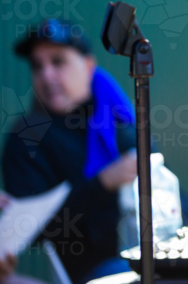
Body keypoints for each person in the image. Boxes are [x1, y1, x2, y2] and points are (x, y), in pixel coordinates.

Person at [2, 20, 137, 284]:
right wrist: (103, 183)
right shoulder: (28, 136)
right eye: (37, 66)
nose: (47, 75)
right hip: (92, 269)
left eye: (58, 61)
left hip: (144, 249)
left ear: (88, 66)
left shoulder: (119, 120)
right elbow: (35, 229)